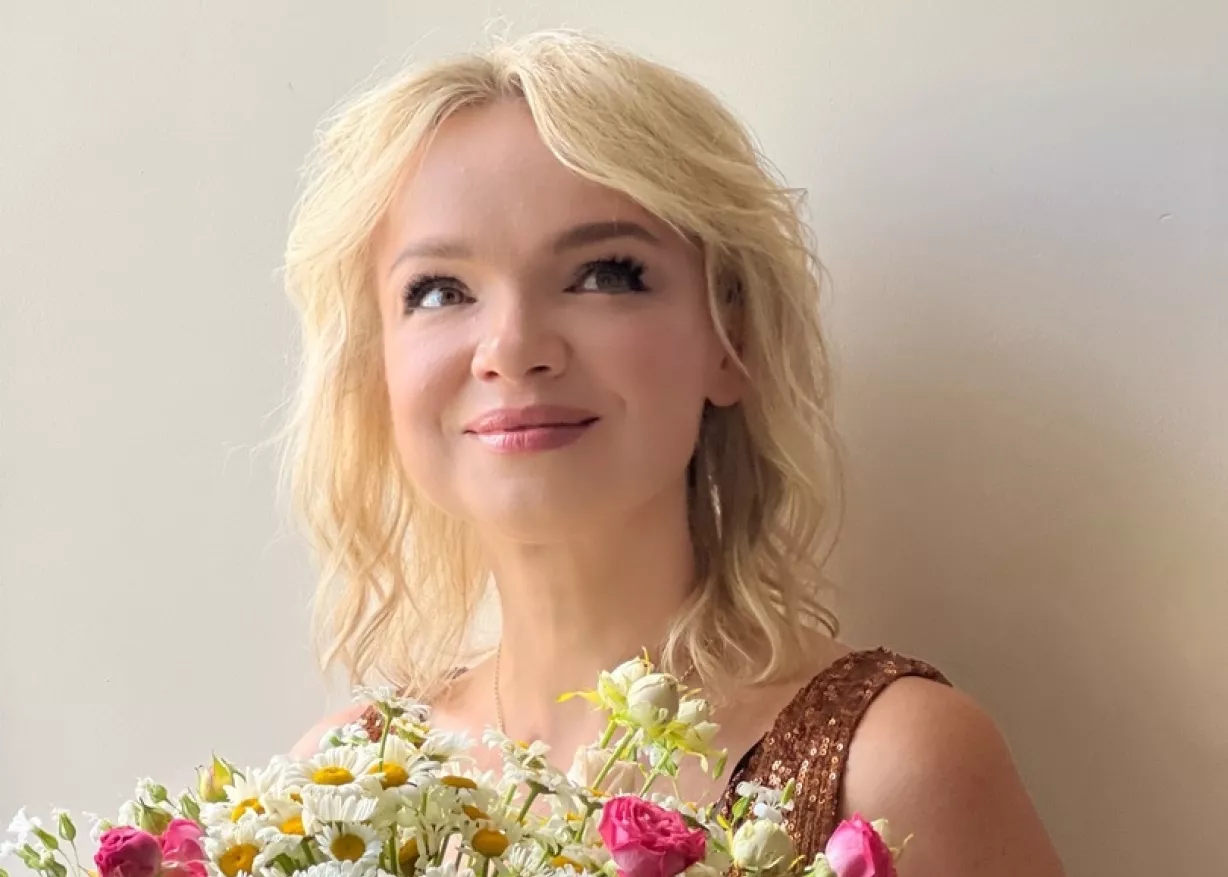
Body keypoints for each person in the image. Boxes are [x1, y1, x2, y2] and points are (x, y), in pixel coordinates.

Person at [282, 30, 1065, 877]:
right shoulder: (344, 782)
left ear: (731, 338)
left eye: (605, 274)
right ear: (378, 364)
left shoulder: (888, 768)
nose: (511, 347)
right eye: (440, 290)